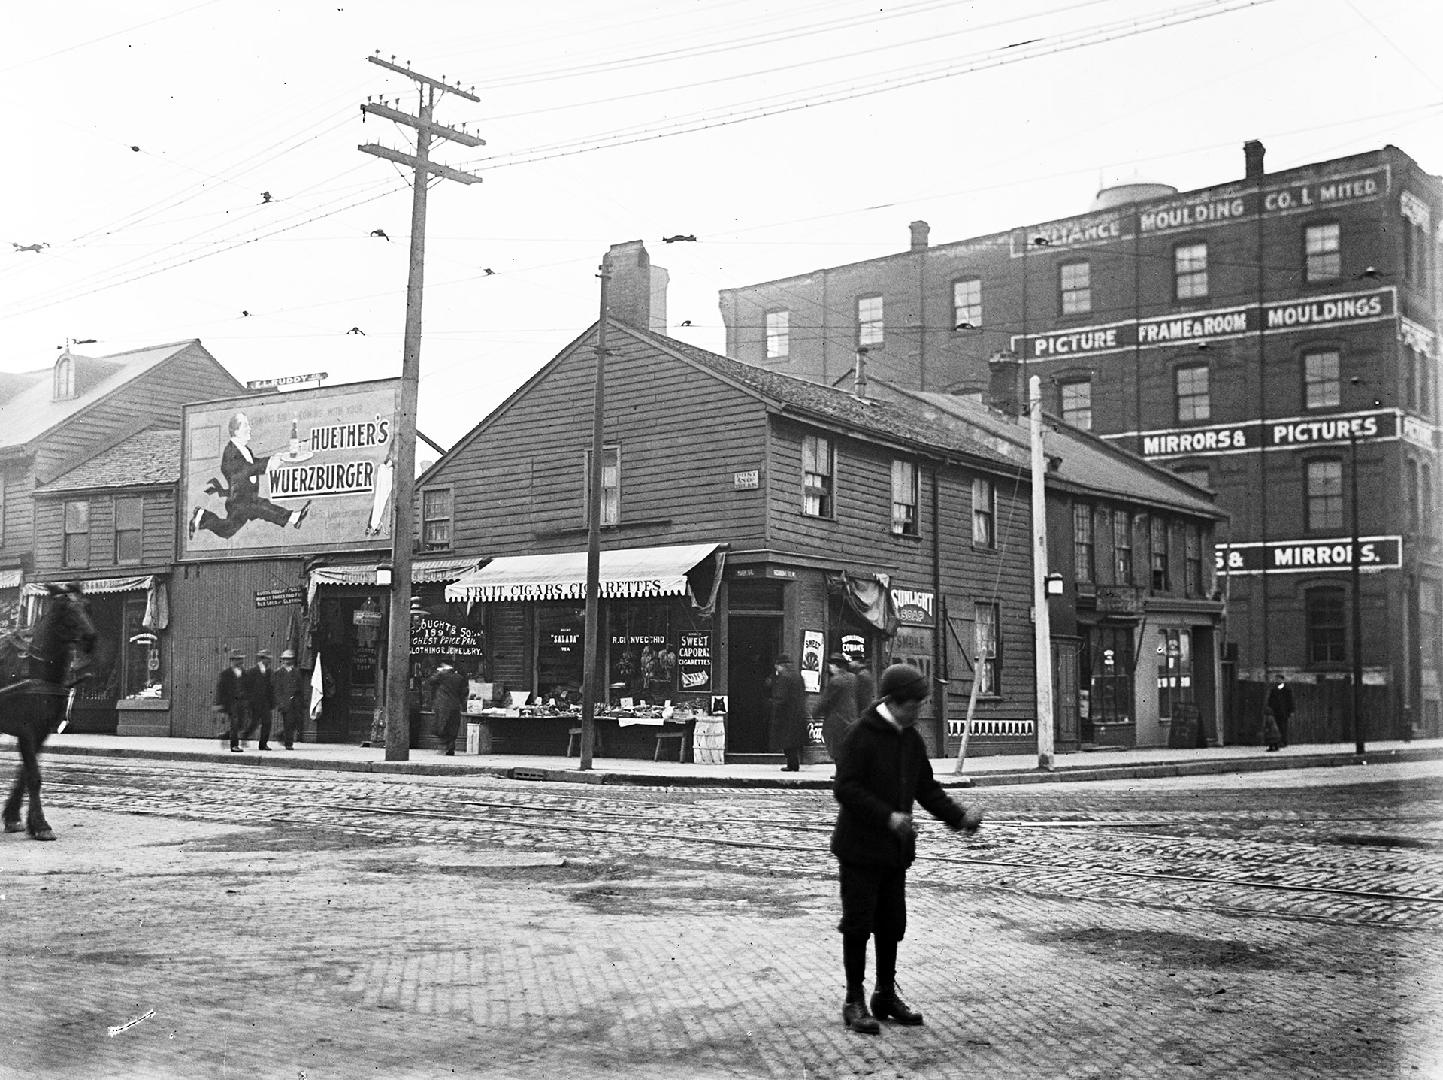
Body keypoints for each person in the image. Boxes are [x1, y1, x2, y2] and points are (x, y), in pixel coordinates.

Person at [831, 662, 982, 1035]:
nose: (919, 712)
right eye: (914, 705)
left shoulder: (911, 739)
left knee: (891, 924)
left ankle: (884, 995)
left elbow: (926, 789)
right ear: (893, 702)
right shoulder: (860, 735)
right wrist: (888, 817)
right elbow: (845, 788)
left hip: (893, 852)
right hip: (860, 849)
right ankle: (854, 1000)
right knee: (858, 924)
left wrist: (959, 817)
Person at [189, 411, 312, 541]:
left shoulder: (244, 449)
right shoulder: (231, 452)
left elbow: (254, 464)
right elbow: (246, 469)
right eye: (246, 426)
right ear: (236, 431)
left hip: (244, 499)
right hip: (240, 500)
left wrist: (278, 458)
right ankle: (294, 517)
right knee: (261, 507)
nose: (249, 428)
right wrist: (270, 462)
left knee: (227, 530)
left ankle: (202, 516)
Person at [815, 653, 858, 764]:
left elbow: (826, 700)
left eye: (831, 665)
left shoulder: (836, 680)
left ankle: (840, 772)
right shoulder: (853, 678)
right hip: (851, 716)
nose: (830, 668)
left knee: (836, 746)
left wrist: (815, 713)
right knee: (847, 745)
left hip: (837, 719)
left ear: (835, 666)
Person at [768, 654, 808, 772]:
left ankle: (792, 764)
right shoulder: (797, 676)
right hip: (797, 713)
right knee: (793, 740)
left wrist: (773, 705)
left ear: (781, 666)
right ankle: (794, 763)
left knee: (787, 740)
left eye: (777, 667)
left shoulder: (784, 677)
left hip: (786, 714)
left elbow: (781, 698)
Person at [427, 659, 469, 756]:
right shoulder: (459, 677)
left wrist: (439, 672)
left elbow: (431, 681)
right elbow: (464, 692)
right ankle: (450, 747)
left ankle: (443, 747)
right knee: (452, 727)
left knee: (442, 726)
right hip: (455, 705)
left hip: (443, 705)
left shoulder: (442, 675)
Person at [215, 650, 249, 753]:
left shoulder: (244, 673)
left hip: (242, 702)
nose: (240, 661)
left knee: (241, 724)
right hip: (231, 702)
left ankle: (225, 736)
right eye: (237, 659)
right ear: (232, 660)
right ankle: (234, 745)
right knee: (234, 723)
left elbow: (248, 688)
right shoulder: (226, 674)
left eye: (241, 659)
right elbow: (220, 689)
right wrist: (219, 704)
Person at [243, 649, 276, 751]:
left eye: (269, 659)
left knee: (267, 723)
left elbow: (271, 688)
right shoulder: (252, 671)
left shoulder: (270, 672)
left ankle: (263, 744)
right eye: (267, 659)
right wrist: (248, 702)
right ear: (262, 659)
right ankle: (245, 736)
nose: (269, 661)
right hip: (254, 703)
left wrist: (272, 702)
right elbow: (247, 688)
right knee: (254, 723)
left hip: (266, 703)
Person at [273, 649, 305, 750]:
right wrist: (280, 703)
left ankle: (280, 734)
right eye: (285, 659)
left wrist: (302, 701)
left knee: (297, 721)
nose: (288, 661)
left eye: (290, 659)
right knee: (288, 722)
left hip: (296, 701)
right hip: (285, 702)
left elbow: (300, 687)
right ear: (282, 660)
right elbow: (277, 689)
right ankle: (288, 743)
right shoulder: (279, 672)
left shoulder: (296, 671)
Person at [1265, 673, 1294, 752]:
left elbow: (1290, 700)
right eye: (1276, 679)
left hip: (1284, 711)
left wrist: (1291, 710)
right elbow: (1271, 699)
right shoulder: (1274, 688)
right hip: (1275, 711)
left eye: (1278, 679)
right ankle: (1277, 742)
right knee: (1275, 727)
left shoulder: (1286, 688)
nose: (1277, 680)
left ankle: (1283, 741)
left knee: (1283, 726)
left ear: (1282, 679)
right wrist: (1269, 707)